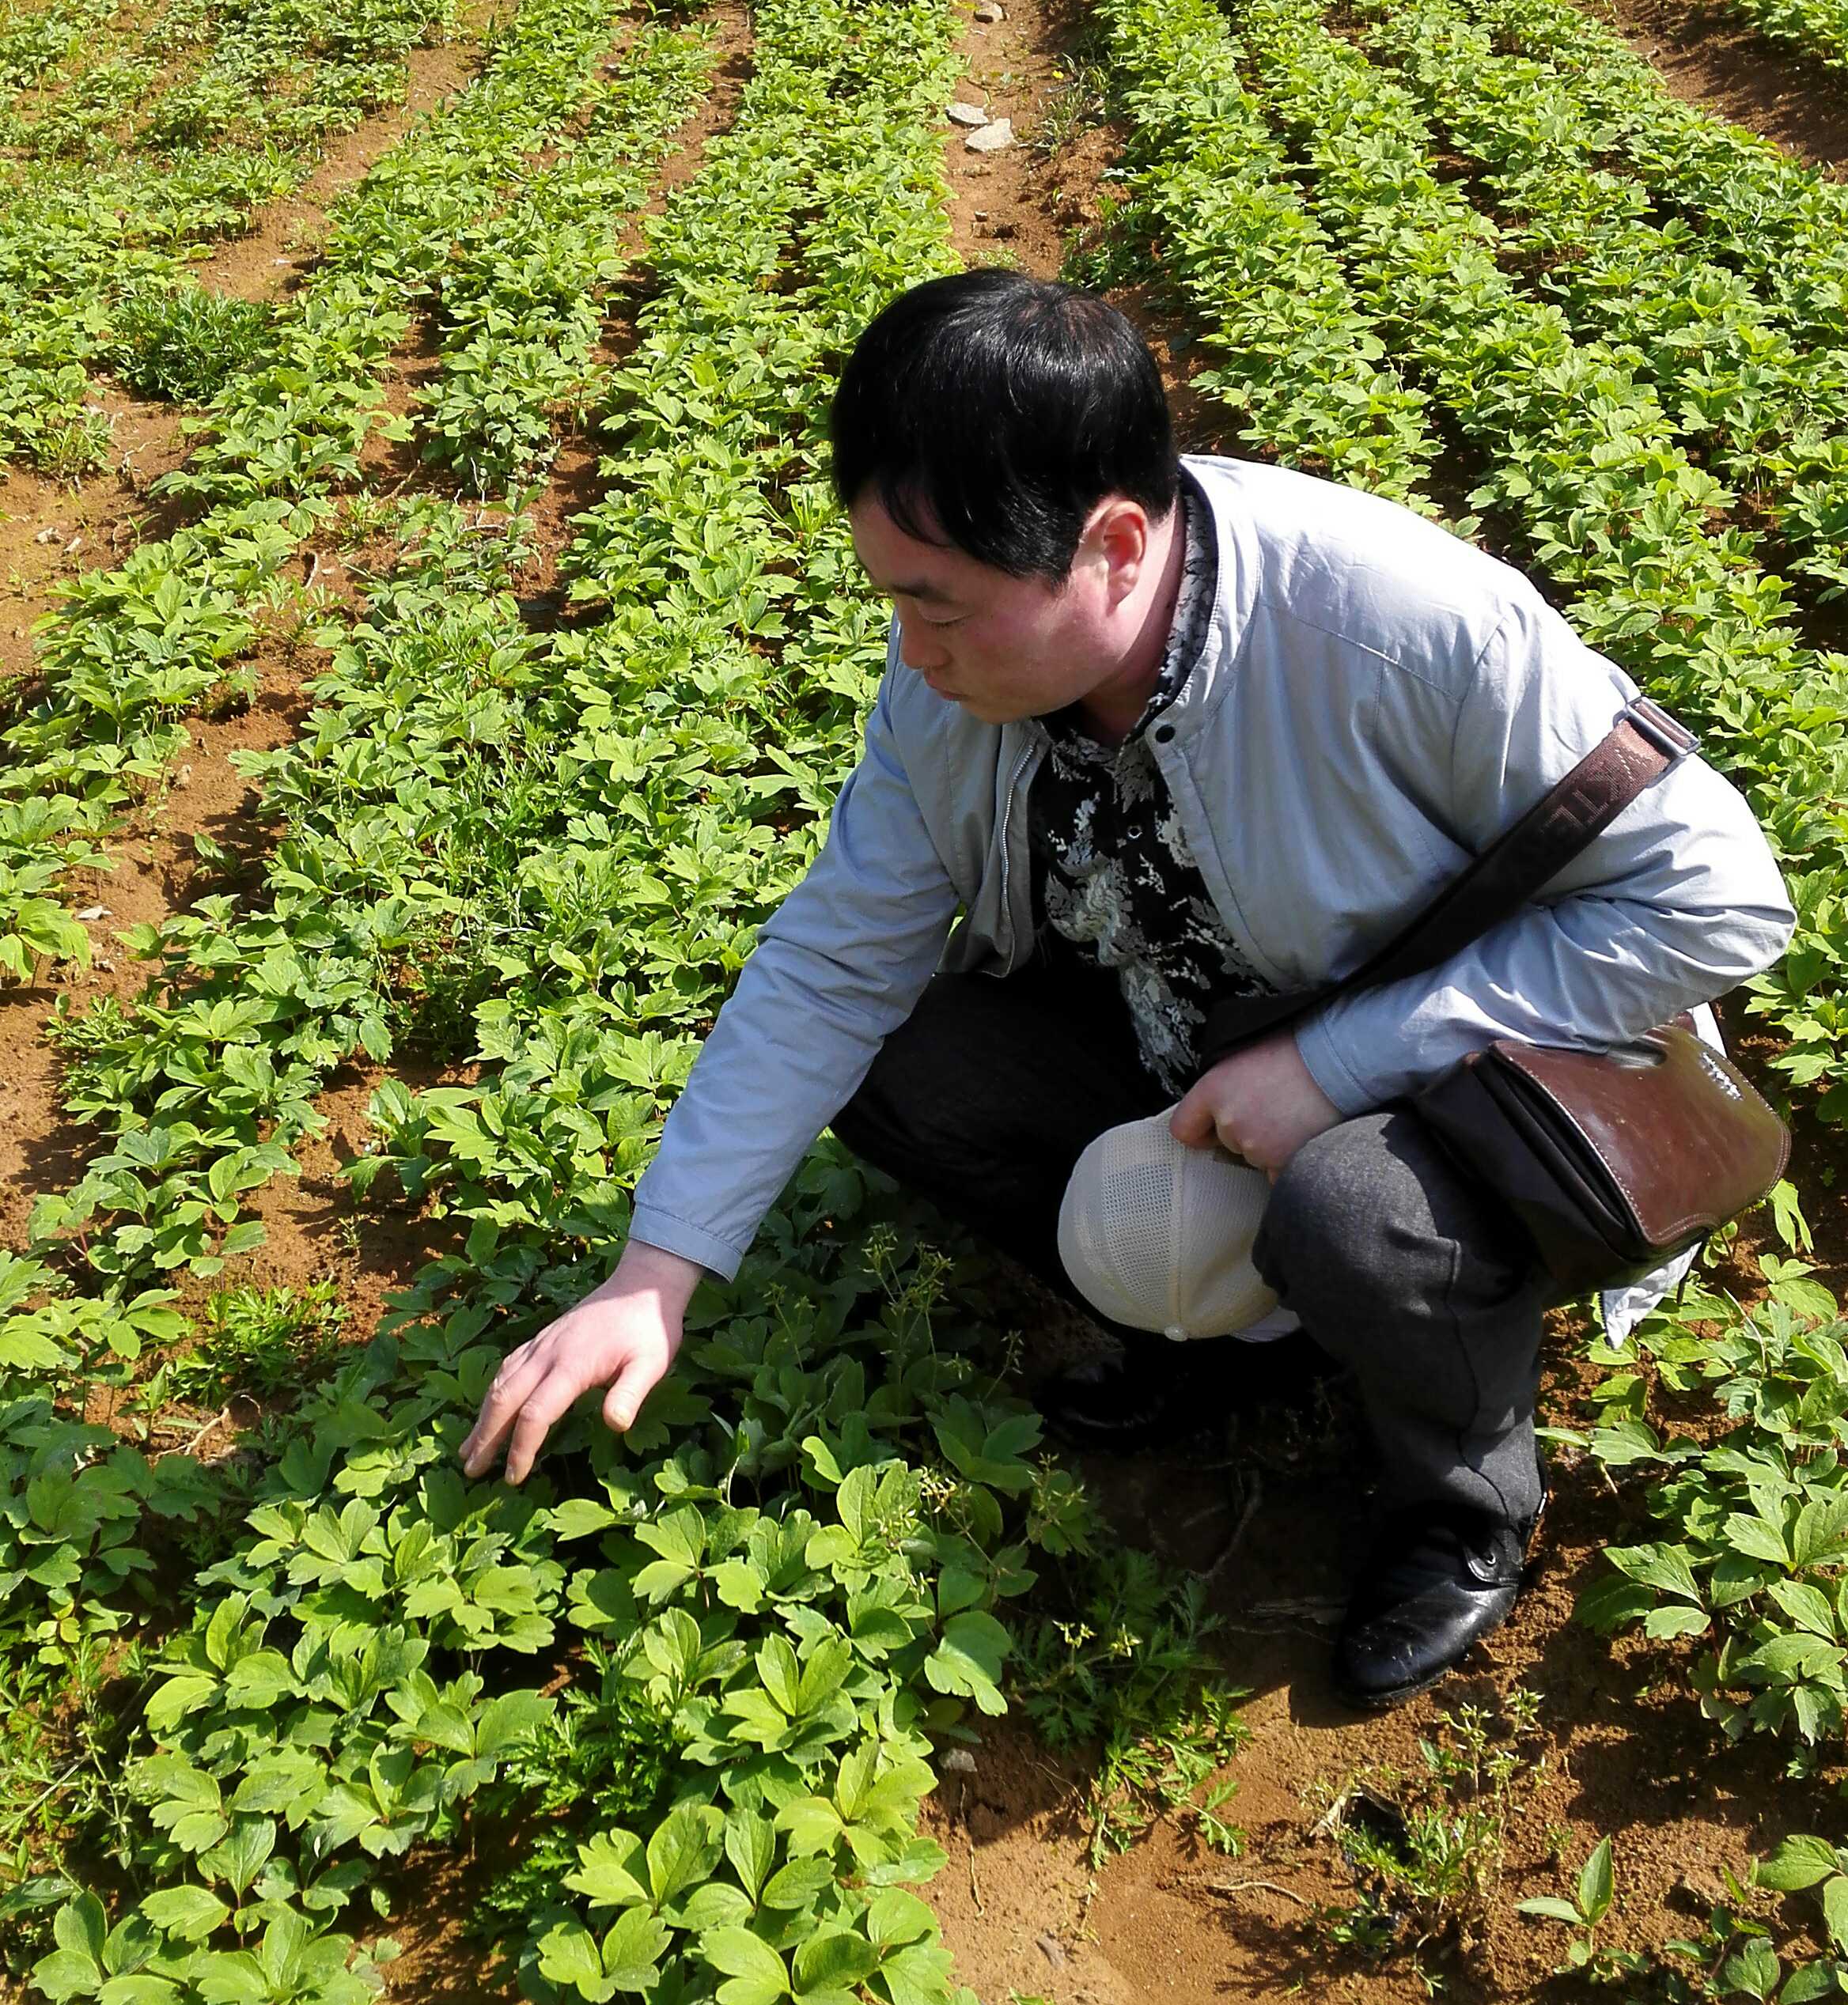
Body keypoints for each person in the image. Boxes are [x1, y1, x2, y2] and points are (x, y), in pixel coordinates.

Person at [461, 272, 1793, 1708]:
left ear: (1112, 546)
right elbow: (834, 963)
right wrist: (655, 1274)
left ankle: (1463, 1501)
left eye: (938, 606)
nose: (909, 651)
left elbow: (1719, 896)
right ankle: (1239, 1341)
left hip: (1481, 1069)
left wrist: (1337, 1068)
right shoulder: (950, 684)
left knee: (1353, 1212)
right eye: (891, 598)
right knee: (901, 1061)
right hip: (1200, 1029)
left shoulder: (1401, 628)